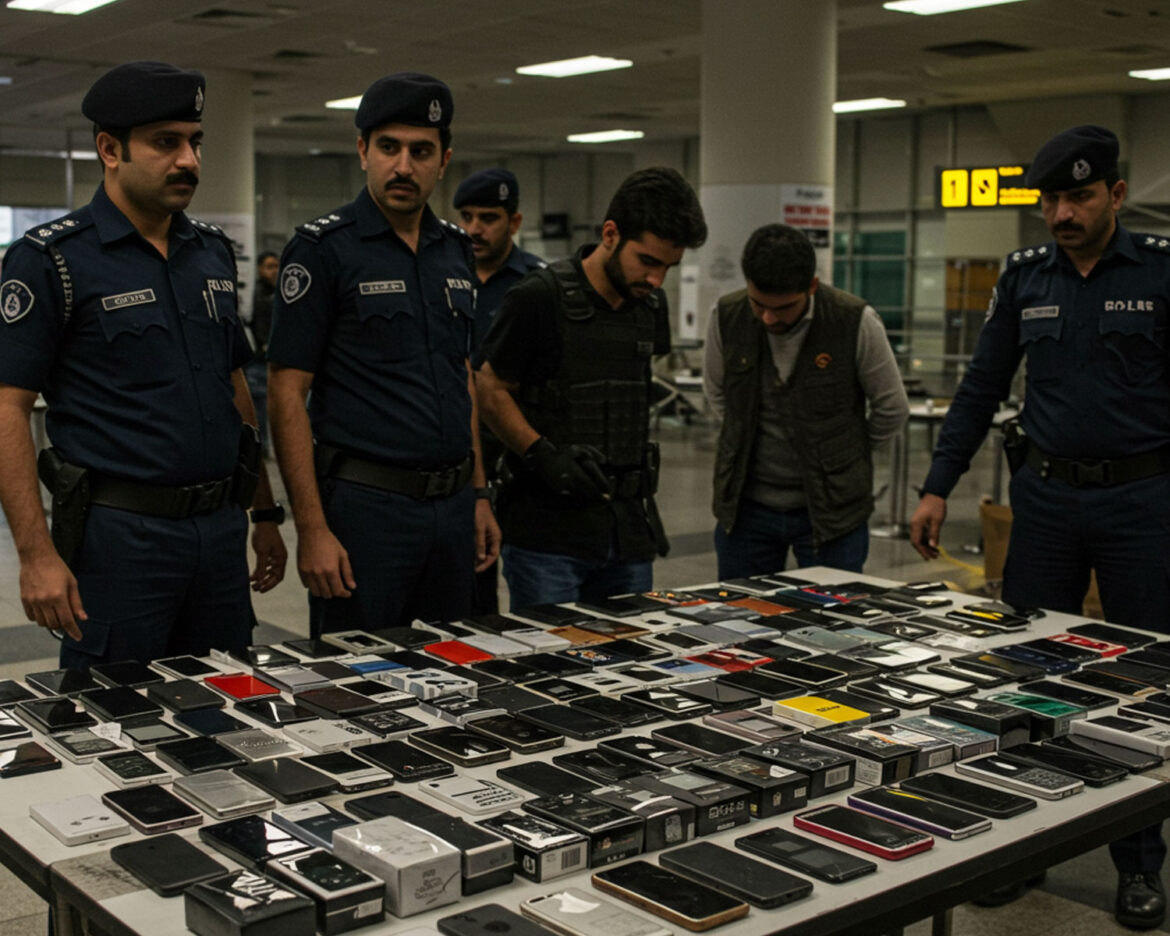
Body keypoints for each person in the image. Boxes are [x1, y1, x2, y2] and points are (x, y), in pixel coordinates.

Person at [908, 125, 1169, 930]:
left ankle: (1139, 862)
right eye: (1052, 200)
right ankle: (1022, 849)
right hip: (1048, 504)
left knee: (1140, 685)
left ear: (1115, 195)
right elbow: (981, 387)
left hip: (1142, 504)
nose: (1062, 214)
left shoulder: (1161, 270)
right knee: (1029, 680)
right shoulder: (1025, 277)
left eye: (1078, 198)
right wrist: (937, 486)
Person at [0, 61, 286, 669]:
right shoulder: (52, 260)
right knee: (112, 712)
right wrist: (36, 554)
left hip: (218, 532)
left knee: (224, 701)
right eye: (165, 142)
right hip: (122, 537)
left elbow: (233, 385)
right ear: (110, 150)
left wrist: (263, 511)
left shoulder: (210, 252)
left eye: (195, 142)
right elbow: (7, 408)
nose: (188, 160)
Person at [267, 72, 500, 636]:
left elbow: (461, 377)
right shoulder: (323, 249)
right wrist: (311, 528)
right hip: (366, 511)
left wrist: (478, 493)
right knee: (357, 674)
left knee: (455, 665)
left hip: (452, 509)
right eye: (389, 148)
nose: (403, 166)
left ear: (443, 160)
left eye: (421, 151)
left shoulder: (454, 250)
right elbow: (286, 392)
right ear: (362, 152)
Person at [475, 166, 707, 609]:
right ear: (610, 234)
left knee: (630, 649)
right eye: (648, 261)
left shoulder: (649, 305)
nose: (657, 280)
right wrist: (541, 453)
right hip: (548, 534)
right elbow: (488, 387)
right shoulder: (538, 296)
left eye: (669, 267)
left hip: (627, 530)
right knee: (551, 651)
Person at [704, 223, 908, 578]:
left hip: (832, 512)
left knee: (833, 610)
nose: (768, 318)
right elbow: (717, 394)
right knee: (741, 609)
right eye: (758, 304)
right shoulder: (726, 316)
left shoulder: (854, 321)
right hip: (746, 510)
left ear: (811, 287)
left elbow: (892, 407)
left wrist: (848, 456)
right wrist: (743, 438)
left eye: (783, 308)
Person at [453, 167, 545, 613]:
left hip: (516, 456)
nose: (474, 229)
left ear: (514, 221)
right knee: (471, 590)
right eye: (467, 217)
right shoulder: (445, 274)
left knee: (533, 583)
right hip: (462, 457)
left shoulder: (537, 284)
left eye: (488, 218)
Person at [245, 250, 279, 454]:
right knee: (259, 408)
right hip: (259, 361)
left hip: (269, 360)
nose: (274, 271)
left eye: (276, 266)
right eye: (269, 266)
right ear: (259, 269)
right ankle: (261, 448)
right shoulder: (259, 295)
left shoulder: (275, 292)